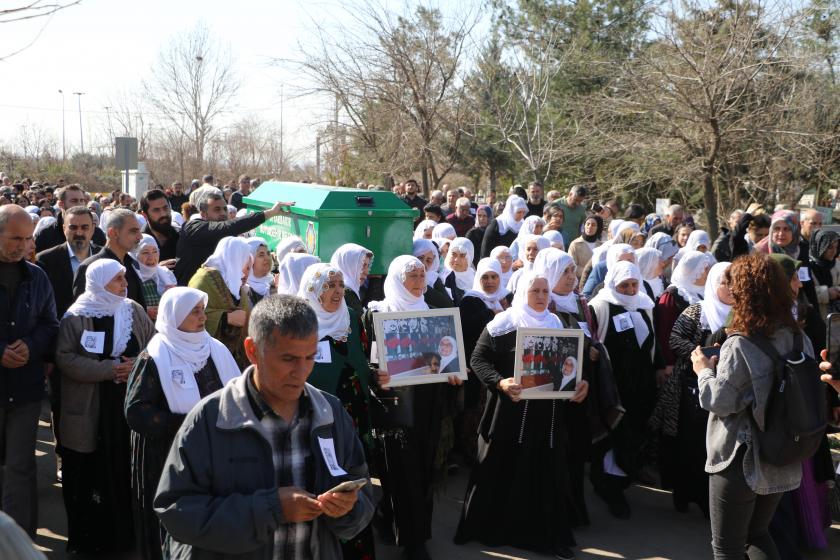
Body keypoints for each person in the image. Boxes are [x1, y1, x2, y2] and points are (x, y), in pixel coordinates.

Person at [154, 294, 375, 559]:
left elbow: (362, 493)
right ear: (252, 351)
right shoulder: (210, 419)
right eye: (288, 359)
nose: (302, 371)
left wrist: (348, 508)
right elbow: (176, 512)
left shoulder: (330, 413)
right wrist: (271, 509)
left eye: (310, 357)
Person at [454, 271, 589, 560]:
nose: (541, 297)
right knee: (501, 469)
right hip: (508, 415)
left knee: (545, 474)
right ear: (521, 291)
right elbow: (478, 359)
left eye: (544, 291)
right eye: (534, 291)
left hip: (547, 418)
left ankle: (545, 537)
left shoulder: (558, 323)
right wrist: (500, 382)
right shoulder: (504, 323)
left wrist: (580, 383)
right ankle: (495, 531)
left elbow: (571, 366)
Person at [690, 253, 811, 560]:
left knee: (727, 546)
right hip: (783, 450)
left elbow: (720, 401)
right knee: (757, 534)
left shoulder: (740, 343)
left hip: (740, 457)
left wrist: (703, 370)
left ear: (745, 292)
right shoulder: (799, 337)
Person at [125, 287, 241, 560]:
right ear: (174, 316)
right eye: (194, 311)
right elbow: (136, 411)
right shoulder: (154, 356)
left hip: (213, 452)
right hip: (166, 455)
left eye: (202, 310)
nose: (201, 317)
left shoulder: (215, 349)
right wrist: (188, 426)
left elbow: (237, 393)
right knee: (169, 523)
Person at [365, 256, 462, 560]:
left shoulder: (433, 314)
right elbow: (367, 360)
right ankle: (403, 531)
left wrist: (452, 373)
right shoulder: (377, 313)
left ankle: (413, 535)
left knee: (422, 471)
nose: (420, 282)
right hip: (396, 406)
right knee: (398, 471)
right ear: (397, 279)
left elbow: (446, 359)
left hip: (427, 406)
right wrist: (374, 375)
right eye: (413, 276)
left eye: (422, 275)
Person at [56, 259, 155, 554]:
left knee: (126, 471)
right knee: (89, 474)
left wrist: (137, 364)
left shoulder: (132, 310)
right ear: (99, 282)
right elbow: (66, 359)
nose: (124, 284)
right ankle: (90, 542)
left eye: (124, 277)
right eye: (117, 279)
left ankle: (126, 537)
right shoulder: (76, 316)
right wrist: (110, 370)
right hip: (92, 409)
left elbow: (154, 344)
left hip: (126, 406)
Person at [651, 262, 732, 519]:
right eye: (724, 282)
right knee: (691, 441)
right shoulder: (698, 311)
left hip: (726, 387)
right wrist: (702, 356)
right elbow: (675, 340)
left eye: (734, 283)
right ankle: (686, 493)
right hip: (691, 387)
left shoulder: (741, 314)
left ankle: (709, 498)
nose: (731, 288)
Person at [0, 205, 59, 537]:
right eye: (14, 238)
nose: (21, 245)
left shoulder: (37, 277)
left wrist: (31, 345)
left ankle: (21, 543)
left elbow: (50, 324)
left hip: (25, 388)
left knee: (21, 468)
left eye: (26, 238)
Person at [588, 261, 662, 519]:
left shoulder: (645, 305)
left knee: (633, 433)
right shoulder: (601, 306)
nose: (630, 290)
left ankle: (621, 479)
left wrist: (658, 369)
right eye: (624, 285)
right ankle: (608, 487)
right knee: (612, 434)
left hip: (640, 384)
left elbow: (654, 343)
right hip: (614, 384)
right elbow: (594, 341)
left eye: (634, 284)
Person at [174, 188, 292, 285]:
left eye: (225, 209)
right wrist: (270, 213)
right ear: (203, 214)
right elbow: (226, 227)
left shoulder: (224, 234)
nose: (222, 213)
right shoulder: (193, 227)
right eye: (217, 209)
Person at [188, 236, 253, 368]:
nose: (248, 273)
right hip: (205, 360)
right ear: (236, 262)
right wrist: (225, 318)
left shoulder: (237, 285)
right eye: (246, 267)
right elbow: (189, 315)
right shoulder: (202, 280)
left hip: (234, 360)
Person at [35, 206, 99, 318]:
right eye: (73, 227)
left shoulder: (105, 257)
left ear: (93, 229)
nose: (79, 233)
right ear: (64, 229)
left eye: (85, 227)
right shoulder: (45, 260)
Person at [656, 250, 710, 377]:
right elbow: (665, 331)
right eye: (704, 269)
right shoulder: (673, 295)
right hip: (679, 361)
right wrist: (668, 362)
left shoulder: (706, 292)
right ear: (694, 271)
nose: (708, 272)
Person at [34, 184, 106, 252]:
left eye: (82, 200)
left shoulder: (96, 233)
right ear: (60, 204)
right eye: (74, 201)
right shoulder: (45, 235)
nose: (79, 205)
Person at [132, 234, 177, 321]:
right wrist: (144, 310)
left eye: (155, 251)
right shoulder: (130, 277)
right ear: (134, 255)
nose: (151, 257)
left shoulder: (166, 275)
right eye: (145, 252)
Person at [330, 243, 374, 315]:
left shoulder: (349, 290)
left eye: (368, 266)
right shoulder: (346, 293)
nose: (366, 272)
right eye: (362, 265)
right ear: (346, 265)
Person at [807, 228, 840, 319]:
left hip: (835, 318)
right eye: (829, 247)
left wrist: (837, 290)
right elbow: (805, 293)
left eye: (836, 247)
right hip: (816, 317)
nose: (834, 251)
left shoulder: (837, 265)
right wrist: (826, 293)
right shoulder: (806, 266)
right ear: (819, 246)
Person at [139, 189, 179, 263]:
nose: (163, 214)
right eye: (156, 210)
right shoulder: (138, 242)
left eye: (165, 208)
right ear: (145, 215)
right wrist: (156, 269)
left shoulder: (180, 236)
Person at [413, 238, 454, 308]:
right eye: (420, 257)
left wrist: (424, 287)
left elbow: (448, 305)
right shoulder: (404, 277)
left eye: (428, 261)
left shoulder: (433, 278)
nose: (423, 264)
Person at [442, 237, 475, 306]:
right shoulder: (443, 278)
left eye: (462, 256)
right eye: (454, 254)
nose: (456, 260)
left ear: (469, 258)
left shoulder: (475, 277)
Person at [245, 238, 275, 306]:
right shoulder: (243, 289)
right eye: (261, 255)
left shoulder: (275, 282)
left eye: (268, 253)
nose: (267, 258)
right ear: (250, 260)